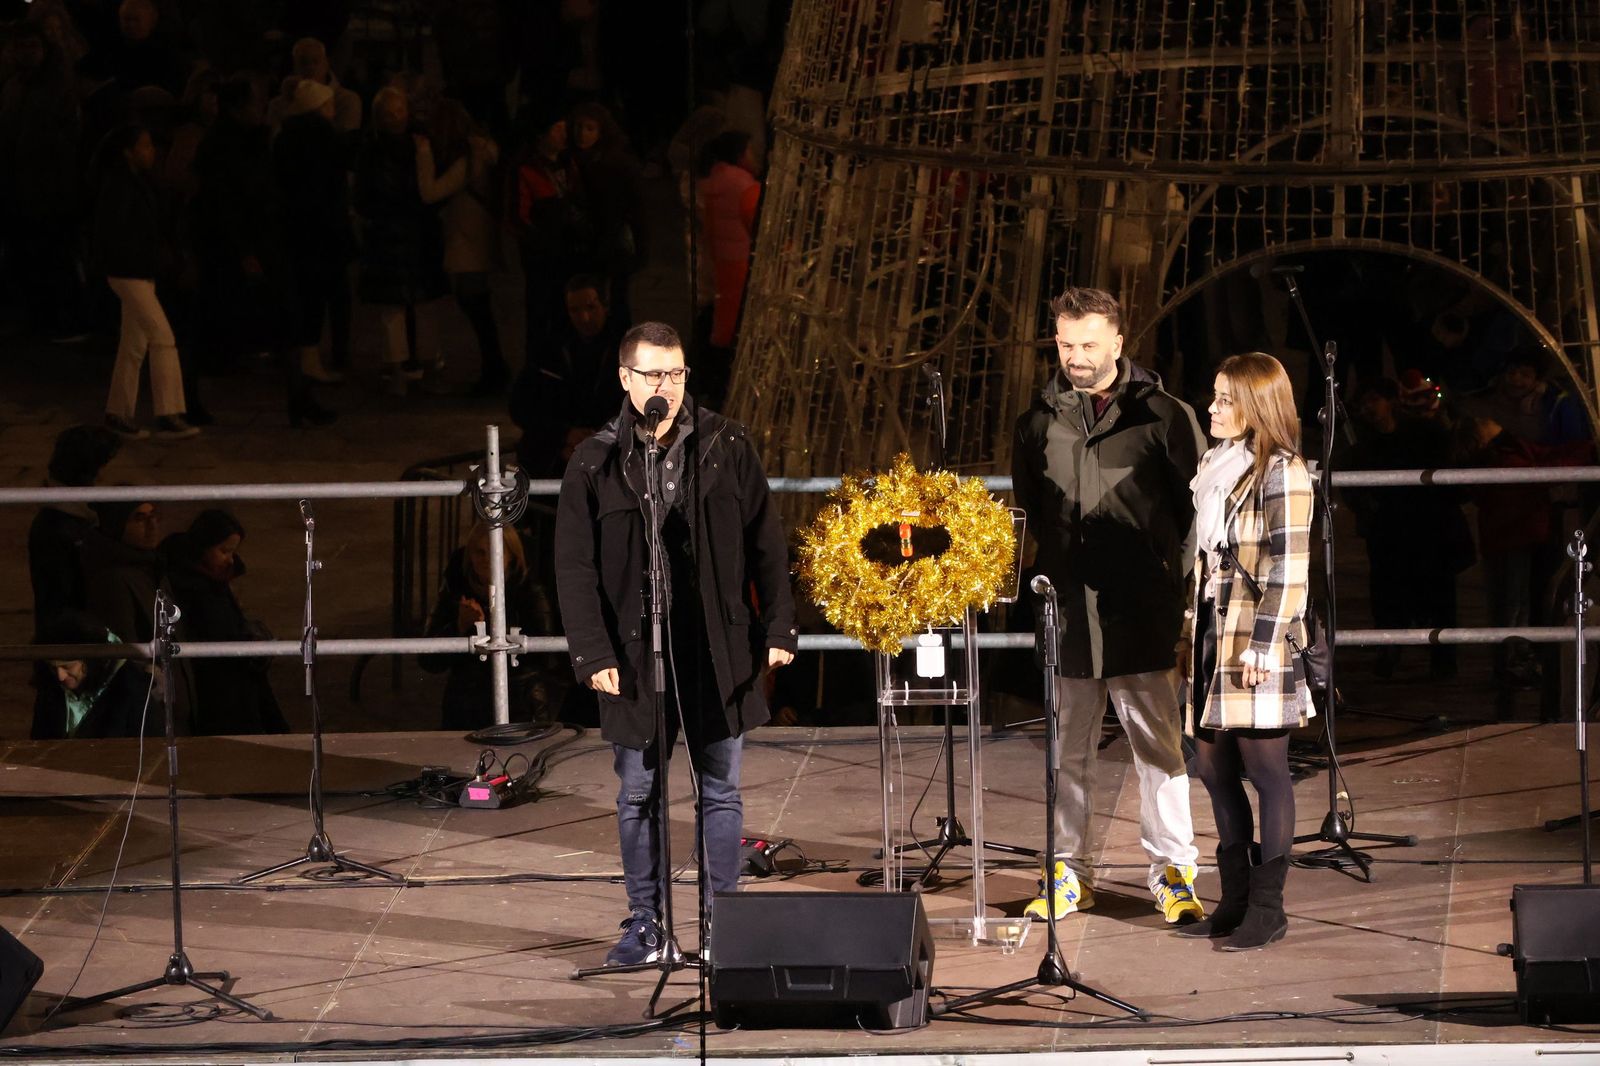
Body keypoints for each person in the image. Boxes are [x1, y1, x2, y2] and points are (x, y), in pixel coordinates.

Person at [554, 321, 798, 966]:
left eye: (677, 373)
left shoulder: (725, 444)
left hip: (715, 649)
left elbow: (766, 543)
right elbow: (573, 566)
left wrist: (779, 626)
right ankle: (646, 922)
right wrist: (593, 652)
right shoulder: (595, 459)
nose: (666, 386)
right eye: (654, 374)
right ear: (626, 380)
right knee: (638, 792)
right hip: (635, 656)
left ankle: (724, 920)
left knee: (720, 789)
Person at [1011, 286, 1205, 925]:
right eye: (1067, 345)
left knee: (1159, 749)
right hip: (1067, 610)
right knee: (1068, 751)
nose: (1077, 357)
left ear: (1119, 343)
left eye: (1089, 344)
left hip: (1142, 608)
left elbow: (1193, 517)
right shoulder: (1037, 419)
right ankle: (1069, 873)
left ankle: (1173, 872)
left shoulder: (1165, 416)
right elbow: (1034, 510)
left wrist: (1180, 607)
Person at [1179, 352, 1315, 951]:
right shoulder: (1217, 464)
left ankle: (1268, 907)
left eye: (1226, 399)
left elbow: (1291, 567)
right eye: (1214, 395)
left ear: (1257, 406)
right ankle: (1234, 898)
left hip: (1257, 636)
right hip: (1213, 629)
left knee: (1266, 770)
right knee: (1211, 767)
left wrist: (1265, 643)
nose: (1213, 407)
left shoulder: (1283, 472)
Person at [92, 122, 199, 441]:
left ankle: (118, 412)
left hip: (137, 271)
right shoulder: (122, 186)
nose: (151, 152)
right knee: (162, 337)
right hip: (129, 272)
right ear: (129, 151)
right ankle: (169, 413)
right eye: (145, 146)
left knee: (134, 344)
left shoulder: (135, 183)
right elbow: (120, 233)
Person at [420, 523, 554, 731]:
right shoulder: (456, 588)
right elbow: (427, 660)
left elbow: (546, 657)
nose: (487, 560)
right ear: (469, 557)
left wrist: (494, 625)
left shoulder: (530, 592)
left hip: (520, 703)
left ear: (511, 556)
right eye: (479, 552)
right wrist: (459, 627)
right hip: (465, 706)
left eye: (495, 552)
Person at [169, 509, 289, 735]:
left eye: (233, 552)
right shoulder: (193, 588)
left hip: (234, 675)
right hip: (218, 686)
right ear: (203, 547)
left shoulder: (214, 579)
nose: (230, 559)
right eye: (224, 551)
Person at [32, 610, 155, 740]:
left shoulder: (130, 689)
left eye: (67, 666)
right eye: (53, 667)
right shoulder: (50, 687)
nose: (60, 676)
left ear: (90, 661)